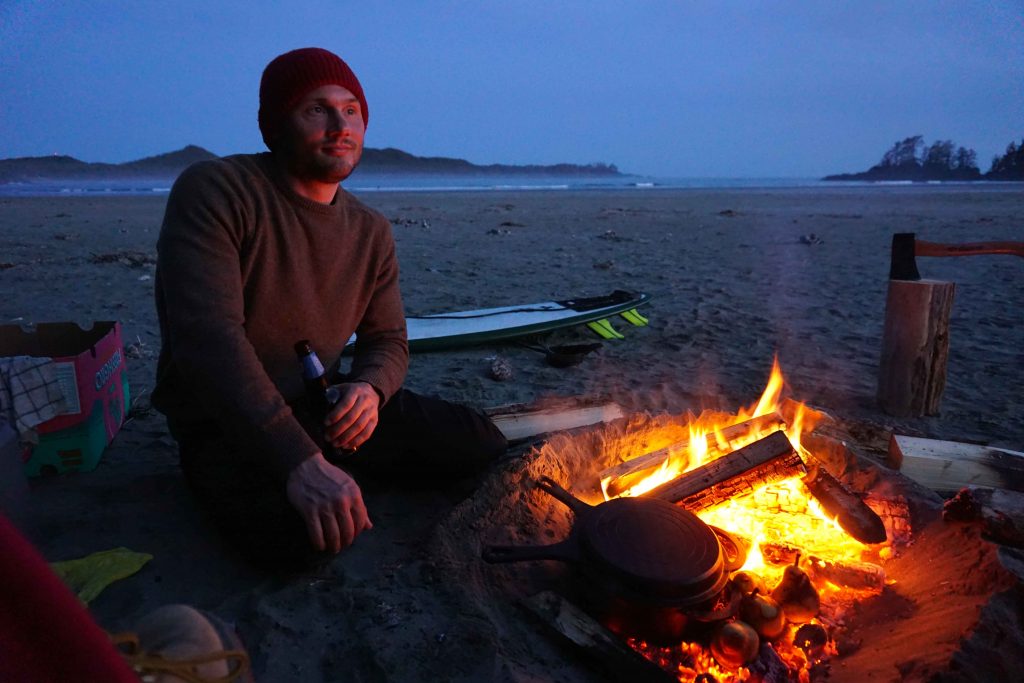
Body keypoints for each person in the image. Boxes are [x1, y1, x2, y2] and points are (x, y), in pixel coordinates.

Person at [153, 47, 506, 571]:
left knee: (480, 442)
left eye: (352, 110)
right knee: (300, 542)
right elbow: (208, 340)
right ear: (276, 125)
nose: (341, 125)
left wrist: (370, 389)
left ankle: (338, 465)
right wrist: (297, 460)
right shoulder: (217, 191)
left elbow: (387, 338)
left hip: (325, 401)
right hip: (226, 421)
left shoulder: (370, 230)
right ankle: (321, 472)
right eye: (316, 109)